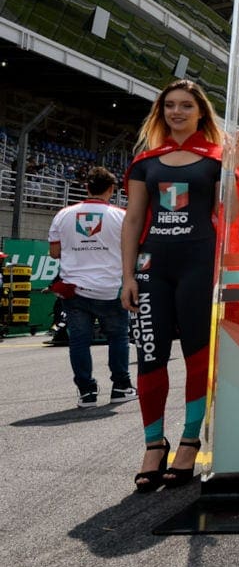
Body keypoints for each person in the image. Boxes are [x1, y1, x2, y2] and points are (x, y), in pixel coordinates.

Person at [121, 79, 239, 493]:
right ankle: (153, 445)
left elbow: (232, 219)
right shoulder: (145, 161)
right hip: (152, 268)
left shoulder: (215, 160)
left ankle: (190, 442)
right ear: (160, 112)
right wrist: (127, 277)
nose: (177, 112)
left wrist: (230, 171)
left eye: (186, 106)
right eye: (169, 105)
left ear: (200, 113)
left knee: (197, 359)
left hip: (200, 267)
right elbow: (133, 221)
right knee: (150, 357)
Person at [48, 166, 135, 408]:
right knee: (118, 337)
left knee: (79, 341)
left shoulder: (63, 215)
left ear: (86, 187)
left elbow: (54, 252)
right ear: (111, 189)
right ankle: (121, 387)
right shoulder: (122, 216)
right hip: (111, 289)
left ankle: (86, 392)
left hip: (74, 290)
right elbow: (133, 251)